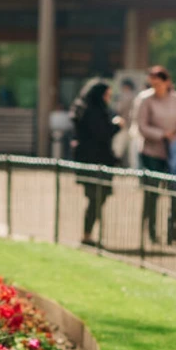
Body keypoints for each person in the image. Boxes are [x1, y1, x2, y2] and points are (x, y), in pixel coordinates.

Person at [133, 65, 176, 243]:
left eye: (158, 84)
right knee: (152, 192)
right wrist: (161, 134)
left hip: (173, 152)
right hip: (151, 151)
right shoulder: (145, 99)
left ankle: (174, 229)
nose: (155, 88)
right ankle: (150, 229)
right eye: (152, 84)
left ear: (167, 82)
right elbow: (141, 126)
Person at [70, 79, 120, 246]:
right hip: (95, 161)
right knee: (96, 198)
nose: (108, 98)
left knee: (96, 198)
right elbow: (102, 133)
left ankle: (89, 233)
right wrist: (117, 126)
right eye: (107, 95)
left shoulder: (84, 109)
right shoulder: (93, 112)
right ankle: (87, 234)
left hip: (89, 160)